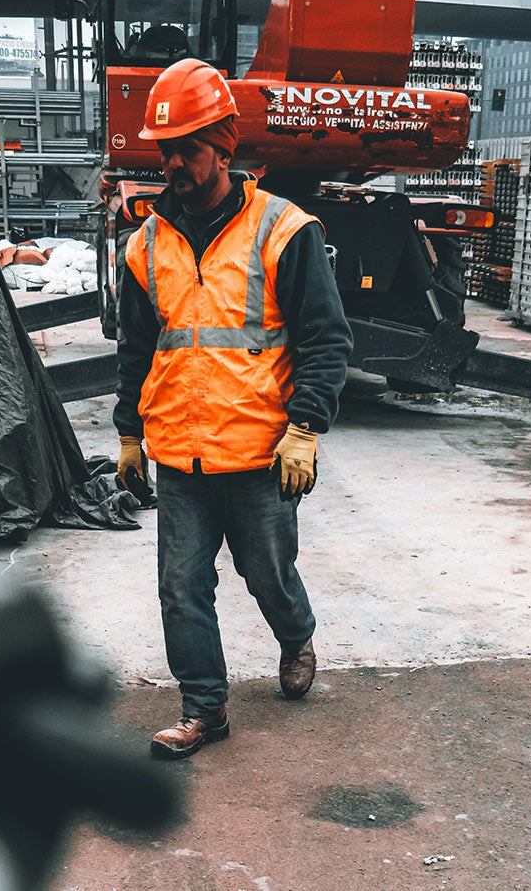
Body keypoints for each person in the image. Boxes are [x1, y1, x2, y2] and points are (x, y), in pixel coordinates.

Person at [113, 58, 354, 760]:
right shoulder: (145, 243)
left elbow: (326, 339)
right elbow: (136, 347)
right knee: (181, 586)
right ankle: (203, 708)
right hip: (180, 452)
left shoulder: (284, 230)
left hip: (257, 452)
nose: (176, 162)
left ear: (225, 144)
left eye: (189, 146)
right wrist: (130, 434)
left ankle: (296, 632)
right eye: (167, 149)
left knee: (268, 576)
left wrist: (305, 428)